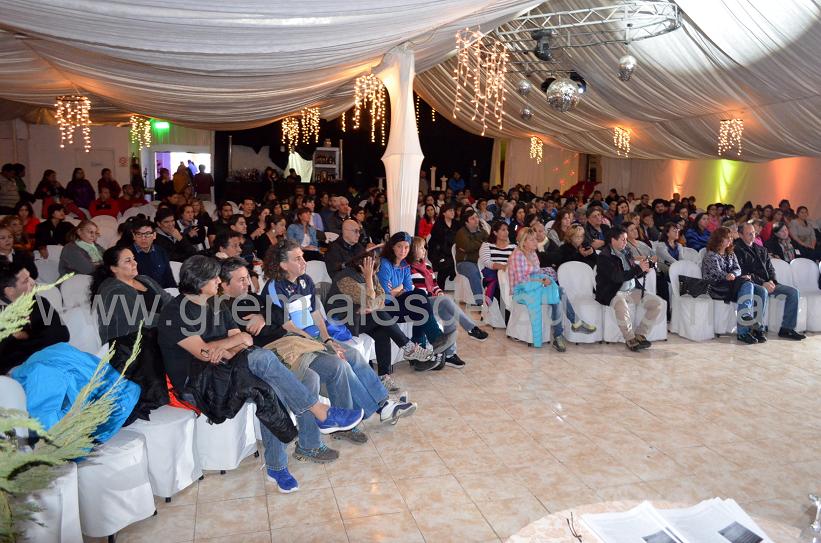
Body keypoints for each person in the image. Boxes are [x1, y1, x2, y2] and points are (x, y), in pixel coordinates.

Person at [157, 255, 365, 487]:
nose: (218, 281)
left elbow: (243, 339)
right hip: (201, 383)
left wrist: (225, 347)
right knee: (265, 369)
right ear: (198, 281)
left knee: (301, 377)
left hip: (227, 367)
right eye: (213, 277)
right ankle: (319, 415)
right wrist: (228, 346)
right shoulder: (175, 313)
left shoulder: (215, 304)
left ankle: (293, 455)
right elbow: (204, 353)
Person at [247, 254, 415, 433]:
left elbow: (316, 314)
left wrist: (327, 339)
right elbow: (286, 325)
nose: (304, 261)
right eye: (297, 258)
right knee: (342, 362)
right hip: (297, 340)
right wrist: (319, 343)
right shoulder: (275, 287)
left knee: (353, 355)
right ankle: (381, 408)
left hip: (314, 337)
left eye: (303, 256)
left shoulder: (305, 281)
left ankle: (384, 403)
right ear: (284, 264)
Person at [89, 246, 173, 420]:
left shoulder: (145, 280)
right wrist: (176, 320)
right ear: (114, 268)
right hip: (130, 342)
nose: (135, 263)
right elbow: (141, 318)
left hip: (159, 332)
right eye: (128, 261)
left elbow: (168, 300)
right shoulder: (112, 289)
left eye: (133, 258)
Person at [508, 227, 596, 351]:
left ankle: (561, 334)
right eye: (532, 240)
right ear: (524, 242)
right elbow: (521, 281)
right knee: (557, 294)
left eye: (535, 239)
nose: (536, 241)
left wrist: (543, 280)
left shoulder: (532, 253)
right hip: (522, 291)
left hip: (535, 287)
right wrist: (541, 281)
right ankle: (566, 329)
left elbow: (537, 273)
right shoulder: (517, 255)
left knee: (558, 292)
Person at [376, 233, 457, 365]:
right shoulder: (385, 264)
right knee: (419, 301)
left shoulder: (404, 265)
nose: (403, 250)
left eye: (406, 247)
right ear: (392, 247)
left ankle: (420, 353)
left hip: (396, 302)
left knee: (419, 298)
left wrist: (396, 290)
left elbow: (408, 288)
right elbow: (386, 297)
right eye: (399, 246)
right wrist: (399, 289)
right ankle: (434, 340)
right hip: (384, 308)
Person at [407, 236, 488, 366]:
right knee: (445, 301)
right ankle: (471, 329)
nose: (424, 250)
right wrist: (439, 297)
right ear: (412, 250)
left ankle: (450, 353)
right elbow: (412, 290)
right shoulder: (407, 269)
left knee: (447, 311)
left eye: (424, 247)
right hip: (420, 303)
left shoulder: (427, 266)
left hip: (432, 301)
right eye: (421, 248)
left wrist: (439, 293)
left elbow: (435, 285)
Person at [595, 227, 663, 352]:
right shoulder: (604, 257)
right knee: (621, 305)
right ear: (613, 240)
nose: (626, 242)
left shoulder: (626, 252)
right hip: (612, 291)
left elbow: (633, 273)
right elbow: (617, 277)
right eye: (623, 240)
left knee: (657, 303)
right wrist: (638, 269)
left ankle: (640, 335)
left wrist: (644, 270)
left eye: (626, 239)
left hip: (631, 290)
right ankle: (630, 339)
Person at [734, 223, 805, 341]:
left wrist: (772, 281)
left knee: (793, 292)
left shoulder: (761, 249)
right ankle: (757, 329)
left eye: (754, 233)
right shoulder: (737, 249)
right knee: (762, 291)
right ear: (740, 235)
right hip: (752, 283)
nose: (753, 236)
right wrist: (763, 283)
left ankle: (787, 328)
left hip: (769, 283)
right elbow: (744, 272)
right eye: (749, 234)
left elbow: (770, 268)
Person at [0, 262, 69, 373]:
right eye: (26, 281)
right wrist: (38, 335)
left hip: (54, 359)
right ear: (10, 291)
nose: (33, 282)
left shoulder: (39, 302)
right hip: (20, 373)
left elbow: (62, 335)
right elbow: (5, 360)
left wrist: (27, 336)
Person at [701, 227, 764, 344]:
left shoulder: (730, 253)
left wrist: (733, 274)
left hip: (730, 284)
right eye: (727, 238)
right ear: (719, 239)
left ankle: (758, 329)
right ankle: (743, 331)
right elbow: (717, 273)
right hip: (716, 287)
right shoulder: (711, 255)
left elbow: (738, 269)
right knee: (747, 284)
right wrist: (728, 275)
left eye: (731, 238)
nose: (730, 240)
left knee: (761, 291)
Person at [478, 221, 516, 310]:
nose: (506, 232)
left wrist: (507, 268)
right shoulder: (487, 245)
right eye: (503, 230)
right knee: (499, 287)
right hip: (492, 274)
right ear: (495, 232)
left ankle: (511, 311)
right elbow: (486, 262)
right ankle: (506, 313)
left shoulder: (513, 247)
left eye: (507, 230)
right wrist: (501, 266)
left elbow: (516, 262)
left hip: (509, 274)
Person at [453, 208, 488, 305]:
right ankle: (479, 301)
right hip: (464, 262)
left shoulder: (482, 232)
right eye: (472, 218)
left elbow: (489, 244)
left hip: (481, 261)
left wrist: (475, 244)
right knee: (474, 272)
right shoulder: (461, 233)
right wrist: (481, 243)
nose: (476, 220)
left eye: (476, 217)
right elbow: (468, 246)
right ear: (466, 222)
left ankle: (491, 299)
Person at [129, 218, 176, 288]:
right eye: (139, 234)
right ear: (134, 236)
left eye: (147, 234)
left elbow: (169, 277)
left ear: (154, 235)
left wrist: (174, 291)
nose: (143, 238)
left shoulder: (161, 251)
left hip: (163, 291)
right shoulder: (128, 255)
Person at [428, 204, 459, 290]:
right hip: (439, 252)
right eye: (450, 210)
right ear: (444, 213)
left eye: (453, 210)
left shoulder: (457, 224)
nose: (453, 212)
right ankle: (439, 289)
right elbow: (435, 242)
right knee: (445, 266)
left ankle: (452, 274)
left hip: (453, 251)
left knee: (454, 262)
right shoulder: (438, 224)